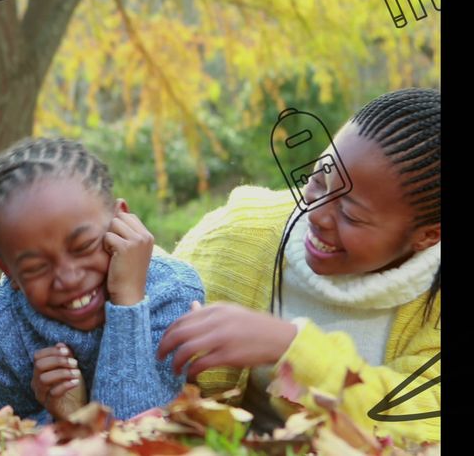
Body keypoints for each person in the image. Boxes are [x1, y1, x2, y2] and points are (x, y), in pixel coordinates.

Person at [159, 88, 441, 443]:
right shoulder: (239, 236)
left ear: (428, 236)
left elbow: (421, 424)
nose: (317, 214)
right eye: (318, 180)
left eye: (351, 214)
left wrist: (290, 347)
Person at [0, 137, 205, 422]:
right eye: (36, 267)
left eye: (83, 247)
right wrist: (63, 418)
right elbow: (5, 441)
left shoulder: (173, 291)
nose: (69, 278)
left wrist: (128, 301)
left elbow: (141, 438)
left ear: (122, 222)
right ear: (8, 271)